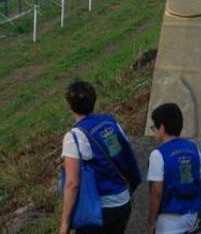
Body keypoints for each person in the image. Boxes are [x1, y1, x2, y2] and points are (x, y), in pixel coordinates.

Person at [60, 81, 141, 234]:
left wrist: (64, 223)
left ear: (70, 106)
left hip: (99, 210)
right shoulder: (111, 122)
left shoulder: (74, 137)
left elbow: (72, 183)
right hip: (123, 201)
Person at [147, 103, 201, 234]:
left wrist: (151, 221)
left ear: (161, 128)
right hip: (192, 215)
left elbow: (157, 191)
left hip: (169, 219)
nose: (154, 131)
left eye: (154, 127)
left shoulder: (158, 154)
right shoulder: (194, 148)